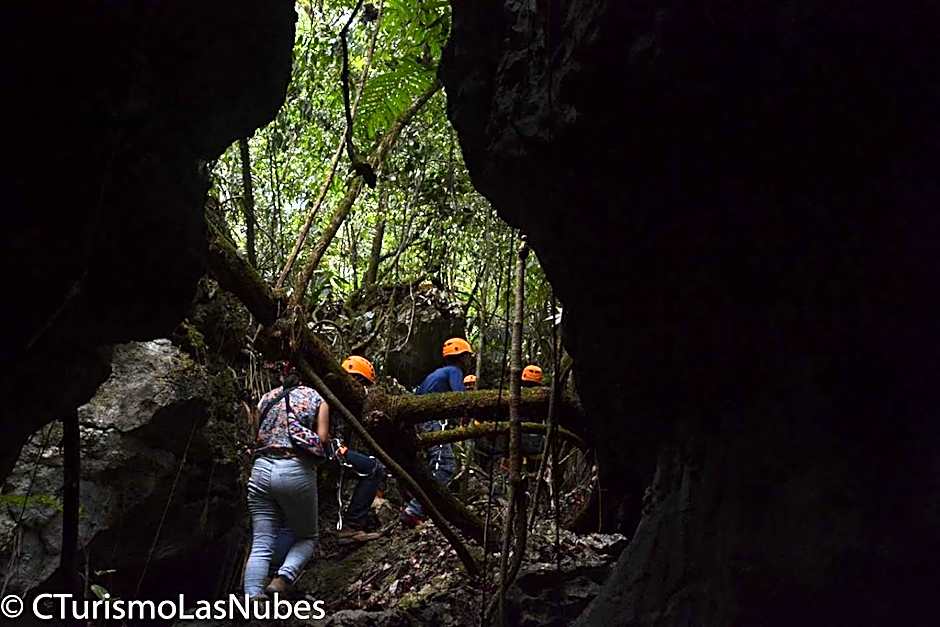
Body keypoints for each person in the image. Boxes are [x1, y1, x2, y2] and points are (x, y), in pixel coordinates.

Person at [244, 365, 328, 599]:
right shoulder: (316, 398)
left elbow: (255, 434)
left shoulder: (266, 398)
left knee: (261, 542)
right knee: (307, 537)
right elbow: (322, 439)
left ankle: (251, 598)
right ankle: (282, 578)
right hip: (294, 469)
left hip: (261, 469)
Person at [400, 337, 473, 527]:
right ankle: (414, 510)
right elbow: (460, 398)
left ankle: (420, 508)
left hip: (419, 423)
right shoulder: (454, 371)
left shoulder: (436, 373)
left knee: (432, 465)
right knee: (445, 465)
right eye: (468, 356)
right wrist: (467, 416)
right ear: (462, 357)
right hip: (432, 422)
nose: (469, 360)